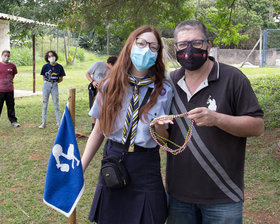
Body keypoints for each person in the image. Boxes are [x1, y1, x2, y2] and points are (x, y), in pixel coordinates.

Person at [165, 20, 264, 224]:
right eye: (183, 45)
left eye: (197, 43)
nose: (189, 49)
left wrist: (217, 118)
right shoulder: (169, 83)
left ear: (208, 45)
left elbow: (257, 126)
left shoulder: (233, 78)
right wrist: (157, 126)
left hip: (223, 196)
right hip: (178, 195)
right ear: (175, 48)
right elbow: (166, 138)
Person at [81, 25, 173, 224]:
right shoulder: (109, 84)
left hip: (146, 163)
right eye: (141, 43)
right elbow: (99, 129)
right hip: (114, 159)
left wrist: (159, 127)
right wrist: (81, 167)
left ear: (157, 53)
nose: (146, 49)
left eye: (153, 47)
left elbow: (165, 140)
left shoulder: (164, 88)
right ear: (130, 46)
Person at [86, 56, 117, 132]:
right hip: (95, 88)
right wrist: (92, 81)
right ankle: (93, 127)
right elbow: (87, 73)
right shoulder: (97, 64)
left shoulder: (114, 70)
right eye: (113, 66)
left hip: (106, 90)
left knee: (105, 107)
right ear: (109, 63)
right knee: (93, 106)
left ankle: (103, 126)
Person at [38, 50, 66, 129]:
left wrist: (55, 82)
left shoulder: (59, 67)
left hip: (55, 85)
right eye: (49, 56)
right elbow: (43, 77)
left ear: (55, 56)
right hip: (46, 84)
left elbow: (61, 78)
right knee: (44, 103)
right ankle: (43, 122)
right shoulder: (45, 66)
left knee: (56, 103)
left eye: (52, 56)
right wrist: (48, 82)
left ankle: (58, 122)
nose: (51, 58)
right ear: (47, 58)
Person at [0, 50, 20, 127]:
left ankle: (13, 121)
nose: (6, 57)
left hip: (9, 90)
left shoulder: (12, 66)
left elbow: (13, 75)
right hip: (0, 90)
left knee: (11, 106)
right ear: (2, 56)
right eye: (5, 55)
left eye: (8, 56)